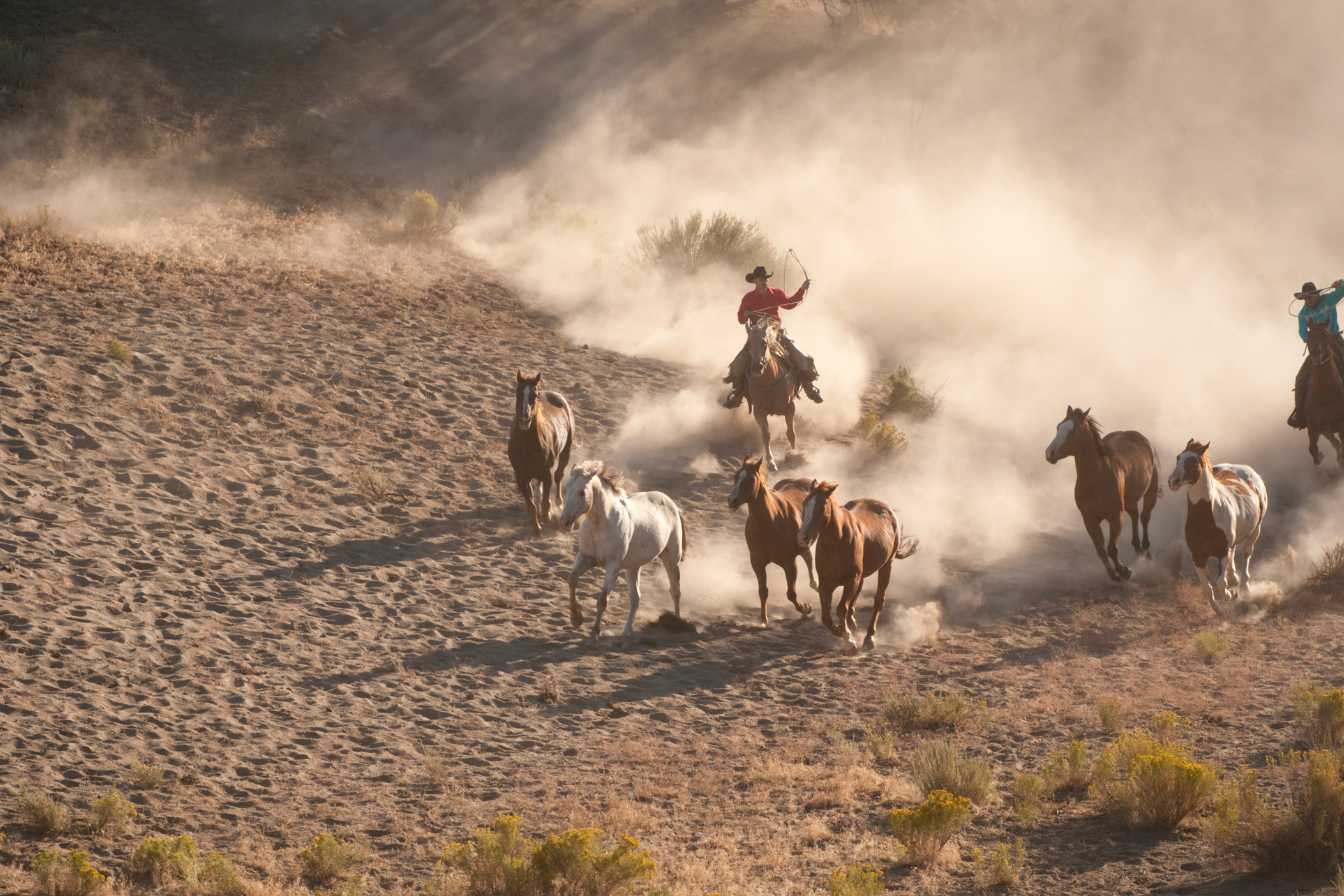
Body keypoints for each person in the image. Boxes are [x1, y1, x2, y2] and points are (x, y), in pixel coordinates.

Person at [723, 265, 823, 407]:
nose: (763, 281)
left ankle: (808, 386)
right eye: (760, 279)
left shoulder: (776, 293)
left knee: (796, 354)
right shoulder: (748, 298)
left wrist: (802, 289)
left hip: (776, 332)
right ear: (755, 281)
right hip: (756, 335)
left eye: (765, 278)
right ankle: (738, 393)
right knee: (739, 363)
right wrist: (745, 315)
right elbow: (740, 319)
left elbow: (790, 304)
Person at [1288, 279, 1344, 429]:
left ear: (1316, 295)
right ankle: (1299, 414)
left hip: (1335, 341)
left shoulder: (1329, 299)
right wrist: (1314, 342)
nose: (1308, 300)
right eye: (1305, 298)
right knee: (1300, 379)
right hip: (1317, 345)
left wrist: (1340, 283)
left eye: (1310, 297)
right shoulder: (1303, 314)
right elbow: (1302, 333)